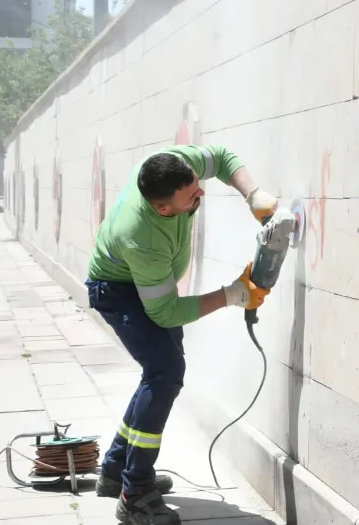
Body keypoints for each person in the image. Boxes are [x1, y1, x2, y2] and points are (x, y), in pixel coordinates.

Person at [85, 142, 277, 525]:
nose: (201, 193)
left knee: (160, 372)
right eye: (192, 196)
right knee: (166, 371)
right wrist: (231, 295)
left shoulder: (173, 166)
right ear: (163, 208)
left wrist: (252, 194)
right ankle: (134, 492)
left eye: (196, 186)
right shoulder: (141, 236)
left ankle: (115, 468)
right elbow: (167, 310)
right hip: (118, 290)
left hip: (149, 286)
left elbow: (222, 157)